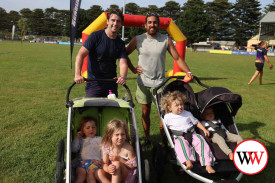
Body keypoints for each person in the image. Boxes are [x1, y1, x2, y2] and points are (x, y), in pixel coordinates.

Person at [126, 13, 194, 149]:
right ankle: (147, 139)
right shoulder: (138, 39)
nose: (152, 25)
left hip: (160, 84)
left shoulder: (166, 40)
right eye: (149, 22)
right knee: (145, 112)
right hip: (143, 83)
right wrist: (133, 69)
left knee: (163, 114)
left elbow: (177, 58)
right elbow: (123, 54)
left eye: (155, 22)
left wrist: (188, 71)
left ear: (158, 25)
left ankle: (164, 142)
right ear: (145, 25)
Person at [74, 9, 128, 97]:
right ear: (107, 21)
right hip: (94, 83)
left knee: (112, 110)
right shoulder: (95, 36)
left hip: (111, 83)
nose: (115, 23)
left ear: (121, 24)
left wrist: (123, 77)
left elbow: (123, 63)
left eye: (118, 21)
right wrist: (77, 74)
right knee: (92, 110)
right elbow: (80, 55)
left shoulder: (120, 43)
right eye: (113, 20)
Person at [161, 91, 216, 173]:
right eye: (177, 105)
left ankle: (208, 164)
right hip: (178, 136)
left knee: (201, 142)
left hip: (192, 134)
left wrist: (204, 129)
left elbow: (196, 122)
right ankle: (188, 161)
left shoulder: (187, 113)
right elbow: (164, 128)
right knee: (181, 145)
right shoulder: (167, 117)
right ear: (169, 108)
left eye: (181, 104)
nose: (180, 107)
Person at [71, 116, 107, 183]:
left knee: (91, 175)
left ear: (96, 128)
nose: (91, 129)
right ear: (83, 130)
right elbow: (74, 149)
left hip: (95, 162)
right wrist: (77, 138)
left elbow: (104, 150)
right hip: (82, 162)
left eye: (93, 127)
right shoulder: (82, 140)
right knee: (81, 175)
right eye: (88, 128)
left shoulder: (100, 139)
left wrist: (103, 161)